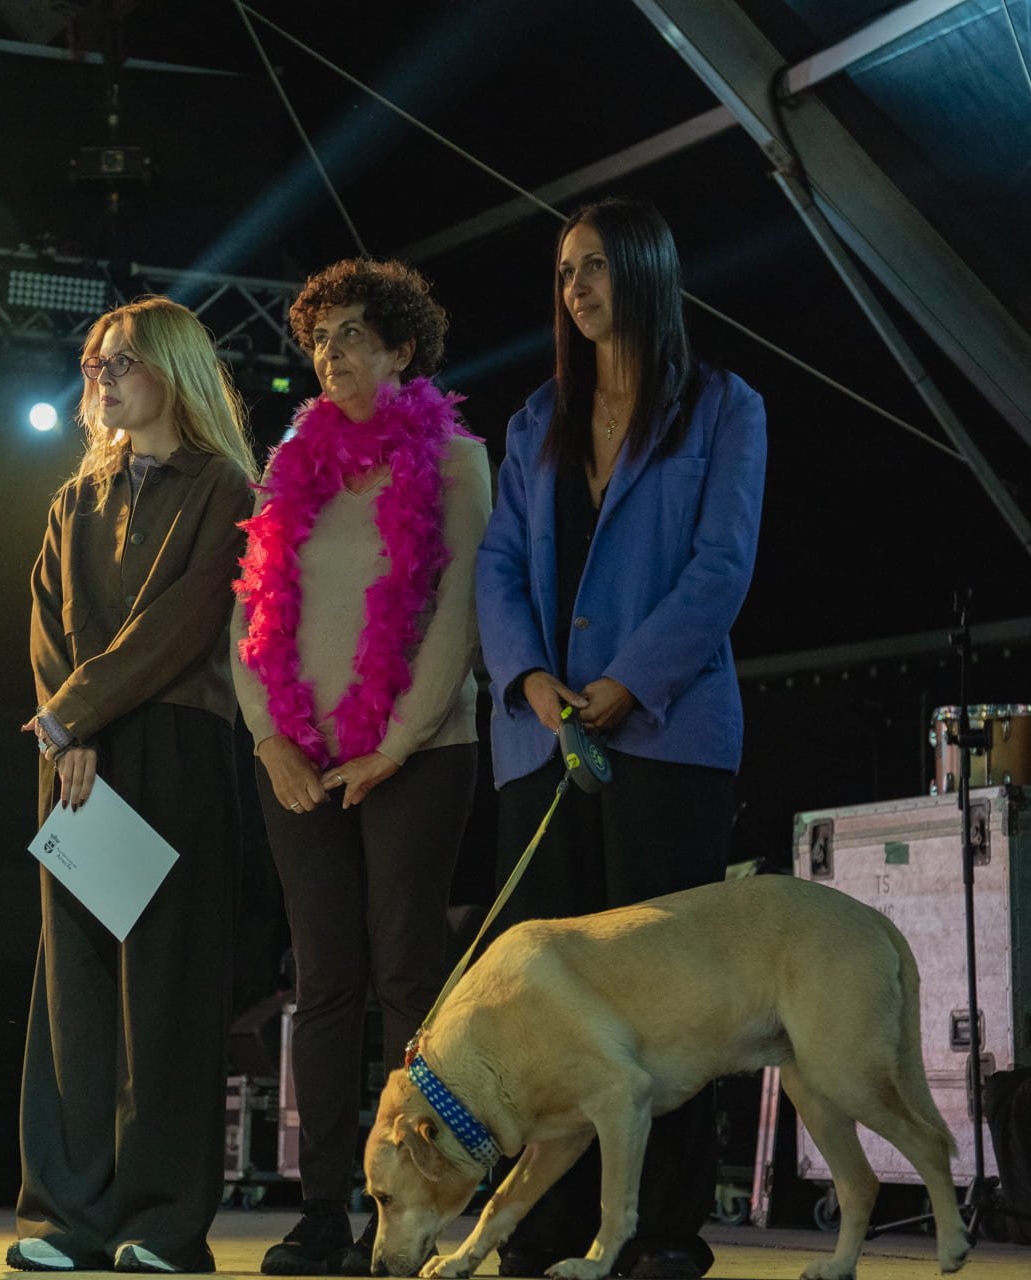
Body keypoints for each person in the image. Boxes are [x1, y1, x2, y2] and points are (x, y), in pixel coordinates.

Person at [474, 197, 767, 1280]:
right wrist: (537, 681)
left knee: (664, 1004)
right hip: (541, 739)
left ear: (643, 269)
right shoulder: (532, 421)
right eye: (563, 273)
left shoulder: (725, 407)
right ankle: (543, 1231)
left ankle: (661, 1231)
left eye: (594, 265)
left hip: (667, 736)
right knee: (546, 999)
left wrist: (622, 682)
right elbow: (497, 564)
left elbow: (720, 568)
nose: (576, 288)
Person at [232, 258, 491, 1276]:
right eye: (319, 339)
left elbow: (458, 615)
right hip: (298, 758)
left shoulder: (458, 459)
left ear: (402, 349)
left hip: (420, 753)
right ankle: (324, 1209)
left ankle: (419, 1201)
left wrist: (398, 744)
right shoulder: (293, 454)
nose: (329, 354)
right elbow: (250, 611)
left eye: (349, 336)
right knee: (324, 976)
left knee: (405, 971)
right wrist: (268, 736)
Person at [12, 297, 258, 1275]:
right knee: (71, 988)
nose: (104, 377)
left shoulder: (226, 485)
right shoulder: (74, 500)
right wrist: (67, 729)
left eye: (123, 361)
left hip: (176, 746)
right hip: (76, 754)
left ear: (173, 370)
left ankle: (160, 1224)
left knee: (166, 992)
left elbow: (185, 620)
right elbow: (44, 631)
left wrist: (79, 712)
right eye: (95, 363)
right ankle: (68, 1215)